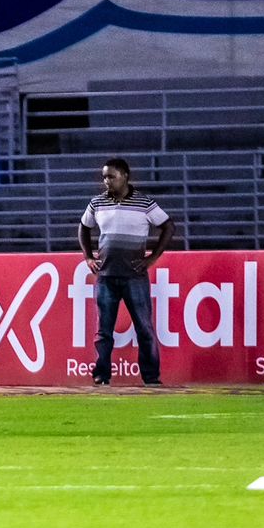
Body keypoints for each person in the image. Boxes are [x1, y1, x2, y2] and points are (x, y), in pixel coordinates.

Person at [78, 157, 174, 387]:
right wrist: (89, 257)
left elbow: (168, 226)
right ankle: (102, 377)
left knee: (144, 328)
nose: (106, 181)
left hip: (134, 276)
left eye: (111, 176)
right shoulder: (97, 203)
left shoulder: (144, 203)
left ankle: (151, 378)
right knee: (103, 331)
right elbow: (83, 227)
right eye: (104, 177)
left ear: (125, 176)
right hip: (107, 276)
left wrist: (153, 257)